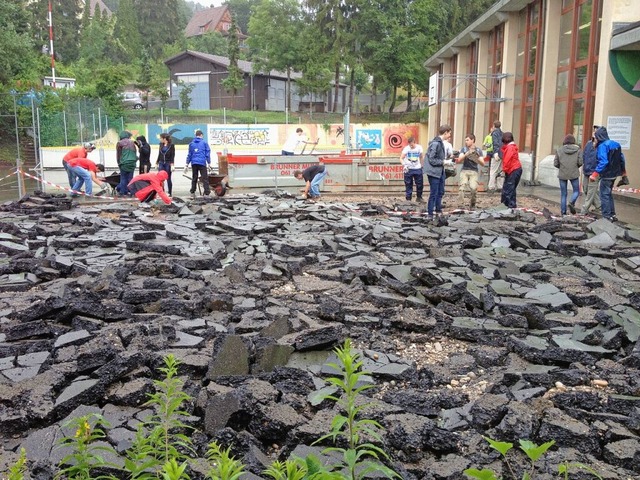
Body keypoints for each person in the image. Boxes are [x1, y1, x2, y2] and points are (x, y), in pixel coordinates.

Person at [591, 126, 626, 222]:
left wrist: (594, 174)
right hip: (614, 174)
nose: (595, 139)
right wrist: (623, 173)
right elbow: (622, 159)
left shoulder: (603, 146)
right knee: (609, 194)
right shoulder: (616, 144)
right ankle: (612, 214)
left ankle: (606, 216)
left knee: (604, 195)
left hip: (606, 174)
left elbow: (603, 161)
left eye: (596, 136)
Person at [424, 124, 452, 220]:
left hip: (439, 172)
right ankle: (430, 213)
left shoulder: (439, 143)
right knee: (434, 193)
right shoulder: (436, 143)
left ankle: (438, 211)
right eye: (449, 133)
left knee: (440, 192)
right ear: (445, 133)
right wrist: (443, 162)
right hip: (434, 172)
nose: (450, 136)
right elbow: (431, 159)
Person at [554, 134, 583, 216]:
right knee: (576, 191)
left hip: (562, 174)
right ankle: (571, 202)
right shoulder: (578, 150)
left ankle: (563, 212)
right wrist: (575, 166)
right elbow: (580, 162)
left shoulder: (559, 150)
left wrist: (562, 167)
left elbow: (555, 163)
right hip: (574, 173)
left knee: (563, 194)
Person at [456, 133, 485, 209]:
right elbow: (459, 160)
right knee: (462, 187)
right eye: (465, 140)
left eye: (467, 140)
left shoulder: (478, 150)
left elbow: (483, 163)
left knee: (473, 188)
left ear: (472, 140)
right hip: (464, 170)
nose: (466, 142)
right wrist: (466, 154)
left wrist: (476, 157)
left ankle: (472, 204)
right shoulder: (464, 149)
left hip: (474, 171)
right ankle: (460, 205)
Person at [580, 126, 602, 216]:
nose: (594, 133)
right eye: (594, 131)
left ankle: (584, 209)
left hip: (595, 172)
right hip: (587, 170)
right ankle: (599, 206)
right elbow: (584, 155)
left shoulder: (601, 146)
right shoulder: (589, 144)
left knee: (591, 192)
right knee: (585, 189)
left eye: (596, 131)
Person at [185, 129, 211, 198]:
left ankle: (192, 192)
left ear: (196, 135)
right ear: (201, 135)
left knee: (194, 177)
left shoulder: (191, 144)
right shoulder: (204, 143)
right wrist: (209, 163)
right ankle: (207, 193)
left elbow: (189, 154)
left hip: (194, 163)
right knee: (204, 178)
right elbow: (207, 153)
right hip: (202, 162)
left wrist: (187, 164)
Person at [500, 131, 522, 209]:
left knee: (508, 188)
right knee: (511, 188)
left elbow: (507, 160)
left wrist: (504, 170)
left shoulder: (509, 148)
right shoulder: (512, 147)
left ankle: (508, 206)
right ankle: (511, 205)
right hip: (515, 169)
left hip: (512, 169)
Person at [400, 136, 424, 202]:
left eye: (412, 145)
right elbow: (401, 158)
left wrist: (422, 165)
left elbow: (421, 157)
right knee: (408, 184)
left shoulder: (419, 148)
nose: (411, 146)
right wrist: (404, 165)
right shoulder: (406, 149)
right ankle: (408, 199)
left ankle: (419, 197)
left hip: (417, 168)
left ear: (414, 142)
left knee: (420, 184)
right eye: (410, 145)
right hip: (408, 169)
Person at [116, 131, 137, 196]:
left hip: (124, 163)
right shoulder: (132, 142)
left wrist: (119, 163)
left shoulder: (119, 143)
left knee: (123, 178)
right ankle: (131, 192)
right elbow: (135, 153)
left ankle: (122, 192)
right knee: (130, 178)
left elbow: (118, 155)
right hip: (132, 163)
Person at [488, 121, 504, 192]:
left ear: (494, 126)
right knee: (500, 171)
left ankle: (491, 187)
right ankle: (500, 186)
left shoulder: (494, 133)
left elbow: (495, 143)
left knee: (493, 171)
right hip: (502, 154)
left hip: (496, 154)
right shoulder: (502, 133)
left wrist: (495, 153)